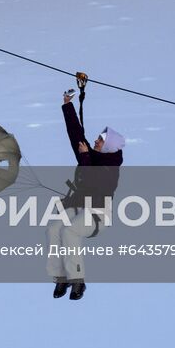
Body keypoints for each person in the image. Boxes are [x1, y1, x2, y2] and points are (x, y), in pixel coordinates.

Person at [46, 83, 125, 300]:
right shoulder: (90, 155)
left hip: (97, 214)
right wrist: (68, 106)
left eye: (101, 140)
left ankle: (77, 280)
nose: (96, 141)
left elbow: (94, 180)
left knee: (69, 231)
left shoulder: (111, 167)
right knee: (54, 228)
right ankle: (60, 277)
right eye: (98, 138)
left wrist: (85, 157)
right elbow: (75, 133)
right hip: (78, 205)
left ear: (109, 146)